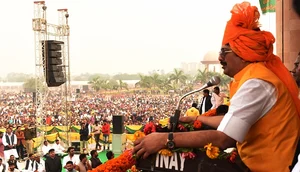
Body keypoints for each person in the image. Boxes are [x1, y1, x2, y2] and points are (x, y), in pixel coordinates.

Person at [133, 2, 300, 172]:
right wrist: (196, 119)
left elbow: (224, 139)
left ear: (243, 54)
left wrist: (164, 140)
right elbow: (234, 122)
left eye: (224, 52)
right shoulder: (253, 76)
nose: (220, 58)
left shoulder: (255, 83)